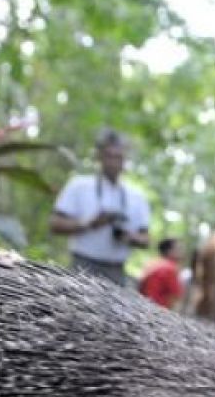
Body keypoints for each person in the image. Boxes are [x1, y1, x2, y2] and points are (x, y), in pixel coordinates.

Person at [49, 129, 151, 285]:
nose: (113, 162)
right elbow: (55, 224)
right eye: (108, 156)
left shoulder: (136, 196)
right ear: (99, 157)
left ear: (125, 159)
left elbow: (146, 239)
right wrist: (89, 223)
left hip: (116, 271)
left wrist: (129, 237)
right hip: (83, 265)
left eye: (118, 157)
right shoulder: (79, 185)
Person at [138, 238, 185, 311]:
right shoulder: (170, 268)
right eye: (179, 249)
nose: (182, 252)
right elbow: (175, 296)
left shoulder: (151, 263)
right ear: (169, 251)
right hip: (157, 310)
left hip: (141, 305)